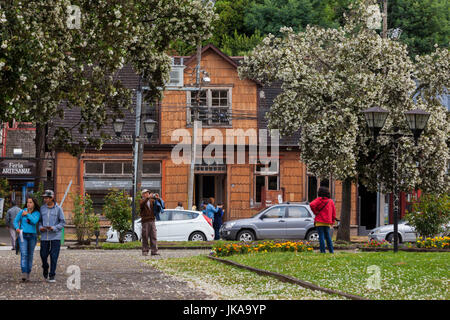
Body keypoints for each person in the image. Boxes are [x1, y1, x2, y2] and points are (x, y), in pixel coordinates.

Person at [38, 190, 66, 283]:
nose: (45, 199)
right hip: (44, 236)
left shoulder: (59, 209)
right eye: (44, 198)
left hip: (55, 237)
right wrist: (40, 227)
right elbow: (40, 221)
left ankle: (52, 275)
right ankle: (45, 267)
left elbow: (63, 222)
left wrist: (53, 228)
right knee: (43, 255)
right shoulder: (42, 208)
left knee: (54, 256)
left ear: (51, 198)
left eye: (46, 198)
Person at [13, 196, 40, 282]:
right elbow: (15, 221)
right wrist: (17, 228)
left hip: (32, 236)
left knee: (30, 255)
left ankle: (28, 273)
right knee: (24, 254)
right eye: (28, 202)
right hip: (23, 235)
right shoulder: (22, 211)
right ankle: (24, 272)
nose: (28, 204)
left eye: (30, 202)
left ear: (34, 204)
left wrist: (28, 214)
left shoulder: (36, 213)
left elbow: (34, 221)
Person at [309, 186, 336, 253]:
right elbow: (333, 212)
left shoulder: (318, 200)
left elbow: (311, 204)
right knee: (328, 237)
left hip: (319, 221)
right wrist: (332, 221)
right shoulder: (330, 201)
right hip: (327, 222)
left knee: (321, 236)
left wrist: (315, 212)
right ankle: (331, 251)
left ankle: (322, 251)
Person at [139, 189, 159, 256]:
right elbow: (141, 205)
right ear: (142, 195)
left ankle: (154, 251)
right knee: (145, 236)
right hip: (145, 221)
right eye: (145, 193)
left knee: (153, 236)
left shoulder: (151, 201)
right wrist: (147, 198)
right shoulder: (141, 201)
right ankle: (145, 250)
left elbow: (158, 206)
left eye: (147, 193)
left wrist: (157, 199)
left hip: (152, 220)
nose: (146, 194)